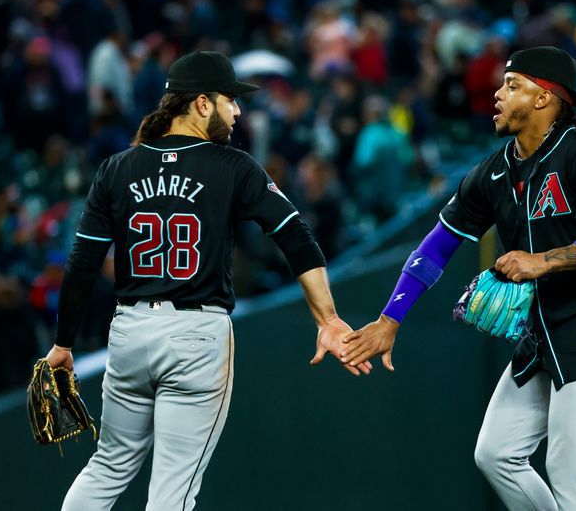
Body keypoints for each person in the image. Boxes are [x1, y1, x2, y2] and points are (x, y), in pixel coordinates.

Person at [44, 50, 371, 511]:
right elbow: (296, 236)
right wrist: (328, 317)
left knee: (108, 466)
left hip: (130, 334)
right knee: (173, 490)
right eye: (229, 100)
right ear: (201, 103)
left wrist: (63, 344)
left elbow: (81, 262)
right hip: (196, 336)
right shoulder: (232, 165)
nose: (237, 110)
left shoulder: (117, 168)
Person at [341, 46, 576, 511]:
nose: (497, 94)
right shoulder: (493, 173)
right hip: (546, 334)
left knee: (570, 472)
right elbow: (436, 246)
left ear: (546, 98)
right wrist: (390, 319)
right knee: (496, 454)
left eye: (512, 85)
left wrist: (542, 261)